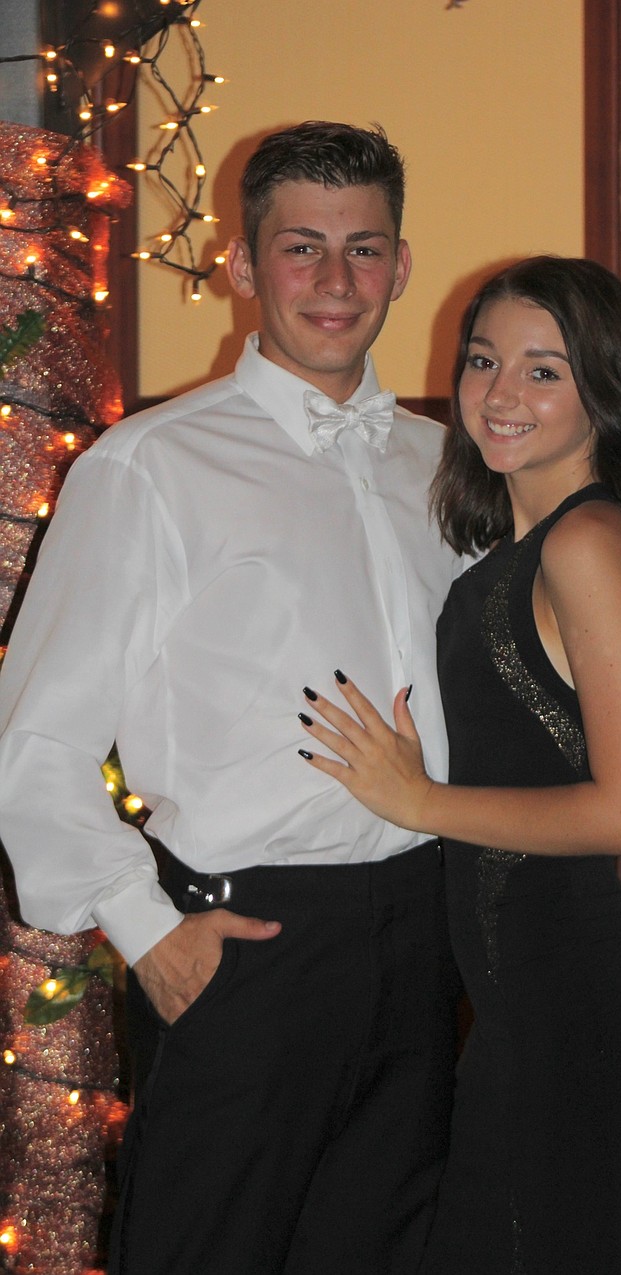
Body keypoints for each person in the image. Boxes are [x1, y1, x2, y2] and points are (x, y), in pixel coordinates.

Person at [0, 122, 463, 1275]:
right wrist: (152, 937)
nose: (334, 281)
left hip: (425, 933)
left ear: (400, 266)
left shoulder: (441, 466)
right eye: (301, 248)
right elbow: (37, 740)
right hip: (244, 947)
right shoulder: (148, 468)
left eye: (363, 250)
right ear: (244, 265)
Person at [298, 256, 621, 1274]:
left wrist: (421, 801)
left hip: (583, 1012)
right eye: (483, 361)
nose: (499, 394)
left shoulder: (590, 544)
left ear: (605, 392)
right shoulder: (512, 549)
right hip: (527, 1009)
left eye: (542, 371)